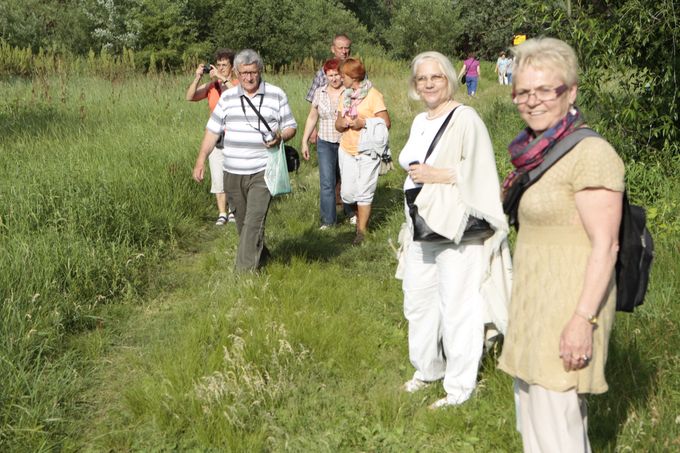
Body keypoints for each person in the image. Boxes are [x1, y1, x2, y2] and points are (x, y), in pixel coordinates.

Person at [497, 37, 624, 452]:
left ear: (571, 92)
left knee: (557, 427)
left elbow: (606, 246)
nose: (532, 101)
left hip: (568, 308)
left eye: (544, 90)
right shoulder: (534, 152)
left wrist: (582, 321)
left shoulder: (591, 153)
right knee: (535, 419)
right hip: (534, 302)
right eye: (523, 92)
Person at [397, 51, 511, 408]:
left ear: (450, 79)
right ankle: (427, 369)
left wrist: (438, 174)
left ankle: (459, 387)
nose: (429, 84)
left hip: (456, 225)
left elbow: (481, 169)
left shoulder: (465, 118)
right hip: (420, 223)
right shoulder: (420, 121)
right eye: (422, 78)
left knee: (457, 304)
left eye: (437, 77)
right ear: (415, 85)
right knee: (418, 301)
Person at [192, 49, 297, 271]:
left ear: (260, 71)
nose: (249, 78)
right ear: (236, 73)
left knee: (253, 221)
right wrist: (201, 159)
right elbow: (212, 131)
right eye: (244, 73)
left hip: (263, 169)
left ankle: (243, 275)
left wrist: (280, 136)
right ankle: (263, 256)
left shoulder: (276, 94)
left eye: (253, 72)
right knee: (243, 224)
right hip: (232, 171)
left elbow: (290, 126)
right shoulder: (227, 97)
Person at [334, 57, 391, 245]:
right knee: (347, 194)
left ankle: (361, 231)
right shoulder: (345, 96)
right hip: (347, 149)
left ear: (353, 77)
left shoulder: (373, 95)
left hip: (368, 150)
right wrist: (342, 123)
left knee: (364, 192)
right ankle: (359, 217)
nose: (341, 79)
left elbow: (386, 123)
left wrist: (363, 123)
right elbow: (337, 123)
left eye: (343, 75)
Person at [305, 34, 354, 222]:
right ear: (333, 49)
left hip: (348, 137)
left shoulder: (354, 70)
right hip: (326, 136)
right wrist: (311, 132)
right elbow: (313, 106)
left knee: (348, 176)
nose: (344, 51)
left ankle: (351, 212)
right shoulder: (322, 74)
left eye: (347, 47)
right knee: (328, 179)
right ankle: (329, 220)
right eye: (340, 48)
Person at [186, 48, 238, 225]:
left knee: (233, 174)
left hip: (234, 136)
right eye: (218, 65)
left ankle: (233, 209)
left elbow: (238, 95)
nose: (221, 68)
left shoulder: (237, 83)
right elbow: (190, 97)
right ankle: (222, 212)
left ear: (232, 67)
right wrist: (197, 77)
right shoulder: (211, 87)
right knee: (217, 174)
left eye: (224, 65)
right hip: (215, 136)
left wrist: (222, 78)